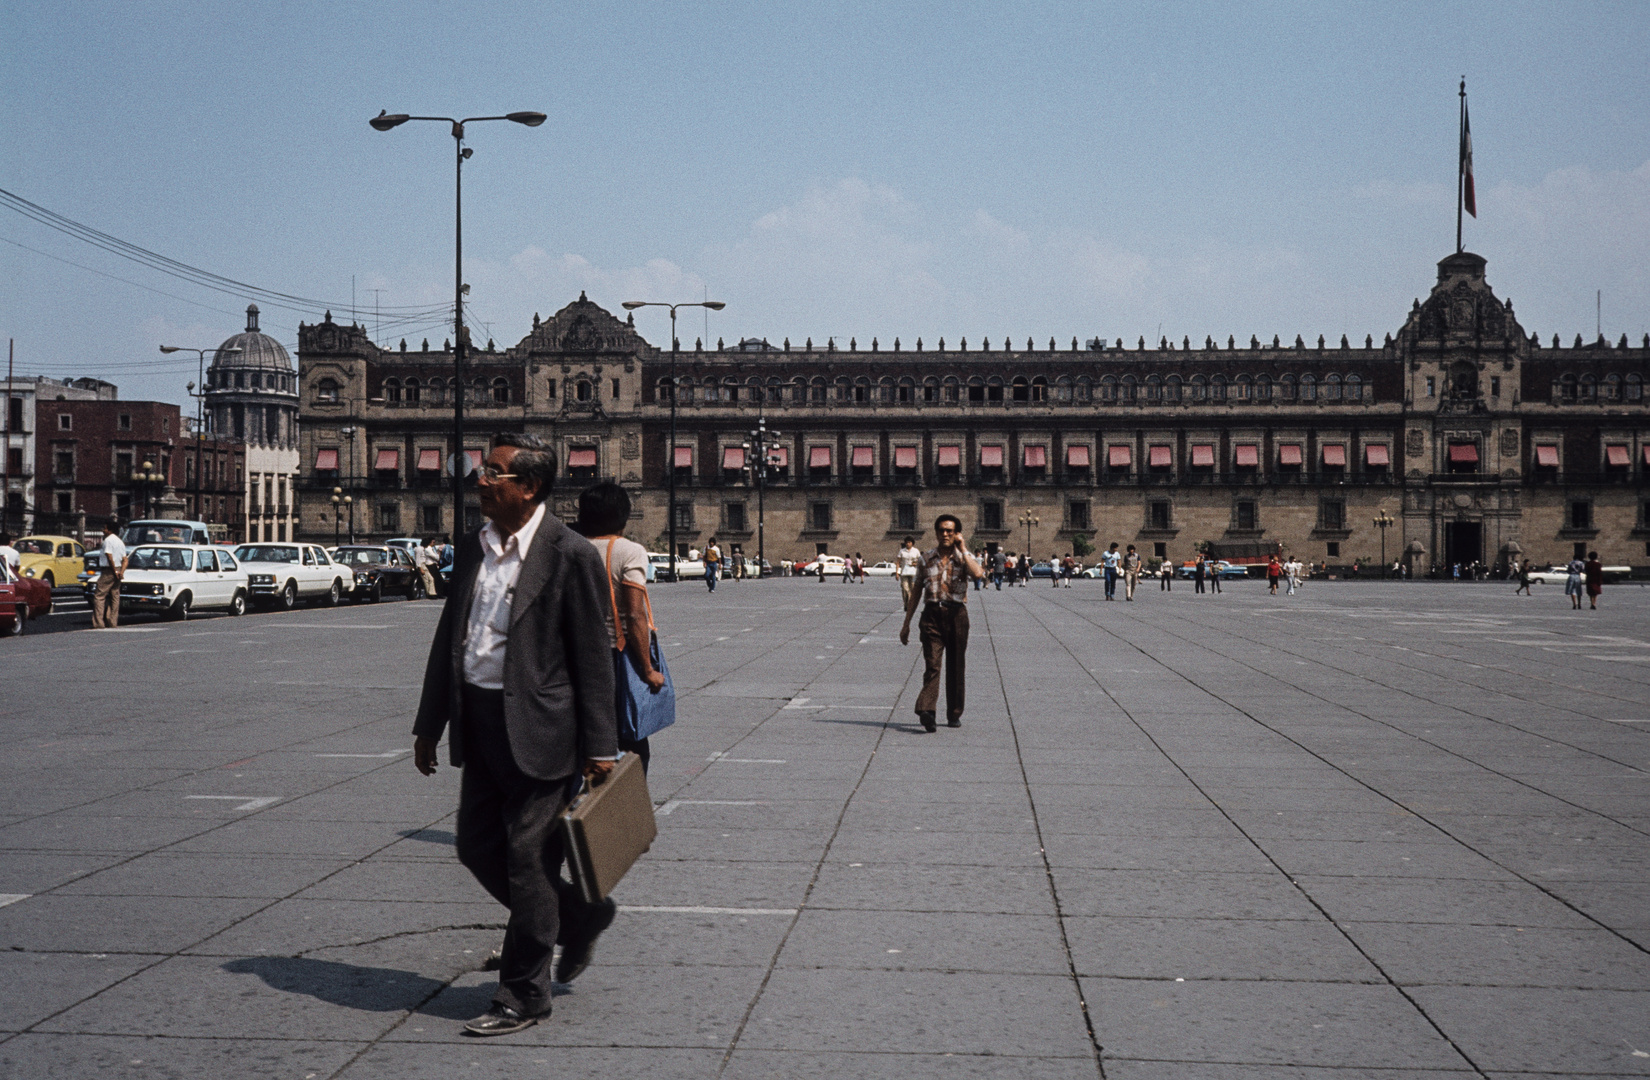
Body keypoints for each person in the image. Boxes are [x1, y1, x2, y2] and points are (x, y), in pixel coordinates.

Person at [412, 433, 620, 1037]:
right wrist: (431, 724)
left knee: (529, 860)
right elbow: (451, 636)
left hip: (544, 730)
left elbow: (594, 658)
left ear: (528, 487)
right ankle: (576, 916)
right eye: (482, 470)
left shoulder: (569, 553)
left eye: (495, 473)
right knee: (477, 848)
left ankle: (524, 993)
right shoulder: (473, 548)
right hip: (478, 723)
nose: (480, 478)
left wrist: (600, 748)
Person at [574, 482, 667, 772]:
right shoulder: (629, 551)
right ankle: (623, 810)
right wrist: (648, 670)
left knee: (584, 741)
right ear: (623, 518)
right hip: (616, 657)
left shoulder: (570, 548)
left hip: (574, 656)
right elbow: (635, 615)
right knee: (632, 745)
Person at [899, 514, 984, 732]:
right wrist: (906, 622)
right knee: (932, 664)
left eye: (950, 531)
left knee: (956, 665)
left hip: (957, 616)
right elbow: (917, 590)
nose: (945, 534)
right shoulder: (926, 558)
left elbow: (978, 574)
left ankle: (954, 712)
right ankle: (927, 711)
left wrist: (963, 548)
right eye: (942, 530)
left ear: (957, 534)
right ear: (936, 532)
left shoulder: (964, 558)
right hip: (931, 616)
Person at [91, 520, 127, 628]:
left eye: (105, 528)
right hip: (118, 569)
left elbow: (109, 556)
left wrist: (114, 571)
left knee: (99, 595)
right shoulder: (120, 542)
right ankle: (112, 621)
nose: (103, 530)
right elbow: (125, 559)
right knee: (115, 596)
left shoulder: (108, 541)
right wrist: (121, 572)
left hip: (108, 570)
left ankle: (98, 623)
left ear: (110, 530)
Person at [895, 536, 921, 608]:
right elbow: (898, 562)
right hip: (904, 573)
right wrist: (897, 573)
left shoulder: (916, 551)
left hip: (913, 573)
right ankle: (906, 603)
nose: (907, 544)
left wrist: (915, 564)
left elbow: (920, 562)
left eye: (909, 542)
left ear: (912, 543)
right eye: (906, 542)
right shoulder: (902, 551)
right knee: (905, 589)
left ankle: (909, 604)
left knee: (912, 589)